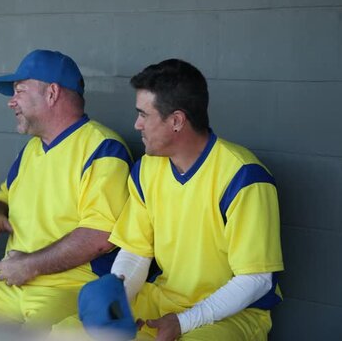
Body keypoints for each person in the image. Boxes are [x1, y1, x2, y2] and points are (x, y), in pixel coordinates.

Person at [77, 59, 284, 340]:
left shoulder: (244, 176)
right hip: (163, 299)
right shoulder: (147, 168)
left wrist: (185, 321)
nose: (136, 124)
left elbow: (256, 280)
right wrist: (118, 296)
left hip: (233, 315)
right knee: (69, 332)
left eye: (143, 114)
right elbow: (137, 251)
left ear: (176, 120)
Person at [0, 50, 133, 329]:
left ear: (51, 93)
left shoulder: (103, 148)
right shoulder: (31, 150)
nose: (11, 102)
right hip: (14, 282)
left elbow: (99, 236)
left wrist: (30, 265)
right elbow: (5, 195)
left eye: (19, 91)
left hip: (71, 286)